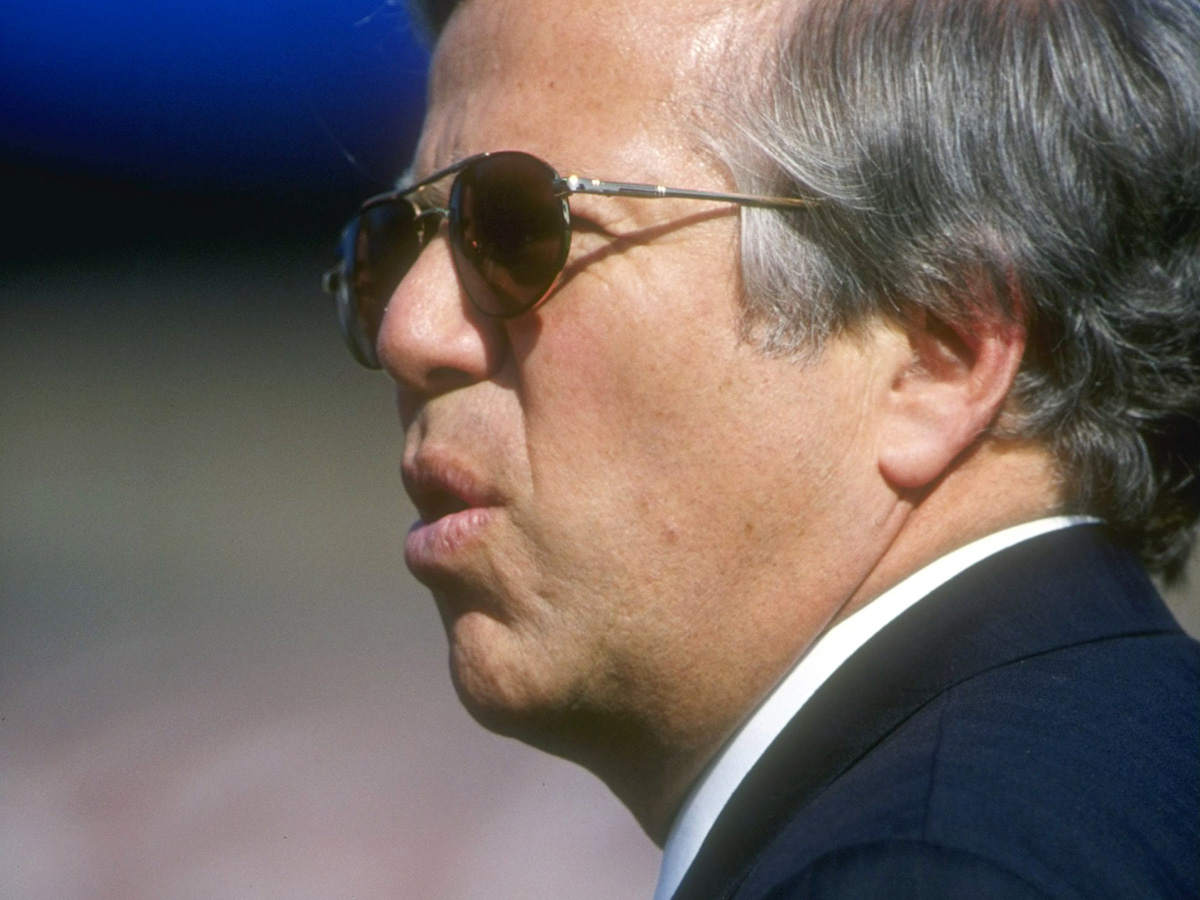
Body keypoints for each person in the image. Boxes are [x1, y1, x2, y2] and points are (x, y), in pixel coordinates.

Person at [323, 0, 1200, 895]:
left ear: (942, 350)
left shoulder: (920, 872)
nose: (409, 327)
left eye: (516, 227)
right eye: (390, 243)